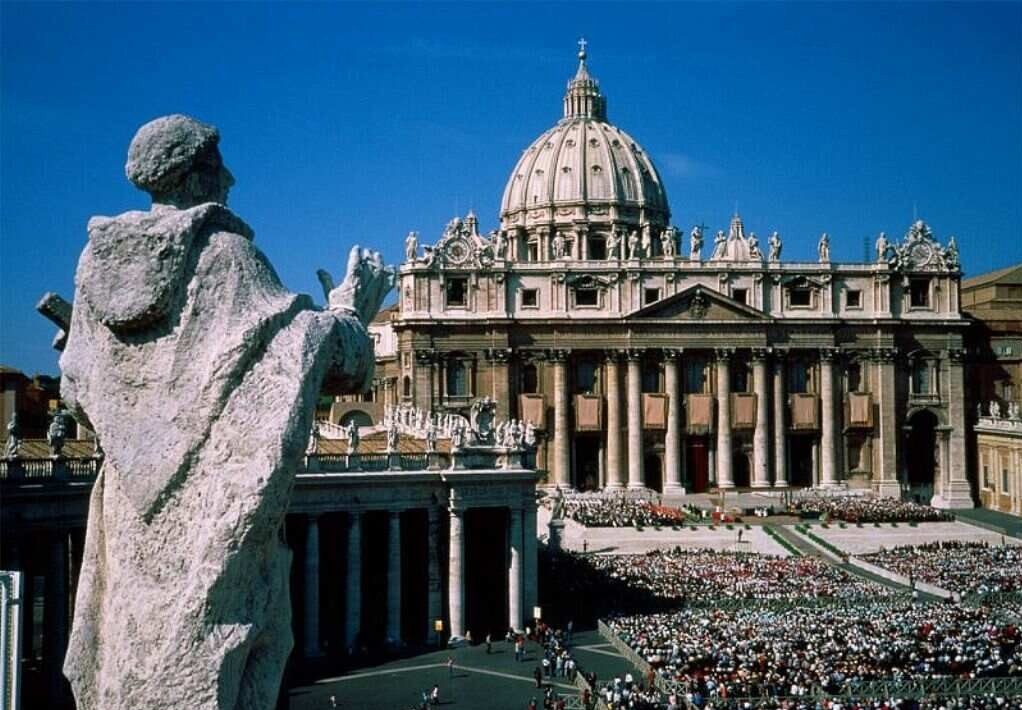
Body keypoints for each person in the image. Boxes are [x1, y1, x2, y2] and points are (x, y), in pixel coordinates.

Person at [58, 114, 392, 710]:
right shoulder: (225, 256)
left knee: (131, 659)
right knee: (214, 664)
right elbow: (310, 347)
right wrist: (350, 308)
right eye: (220, 166)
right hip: (206, 514)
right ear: (196, 174)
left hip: (134, 510)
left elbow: (78, 392)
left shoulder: (92, 270)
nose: (232, 178)